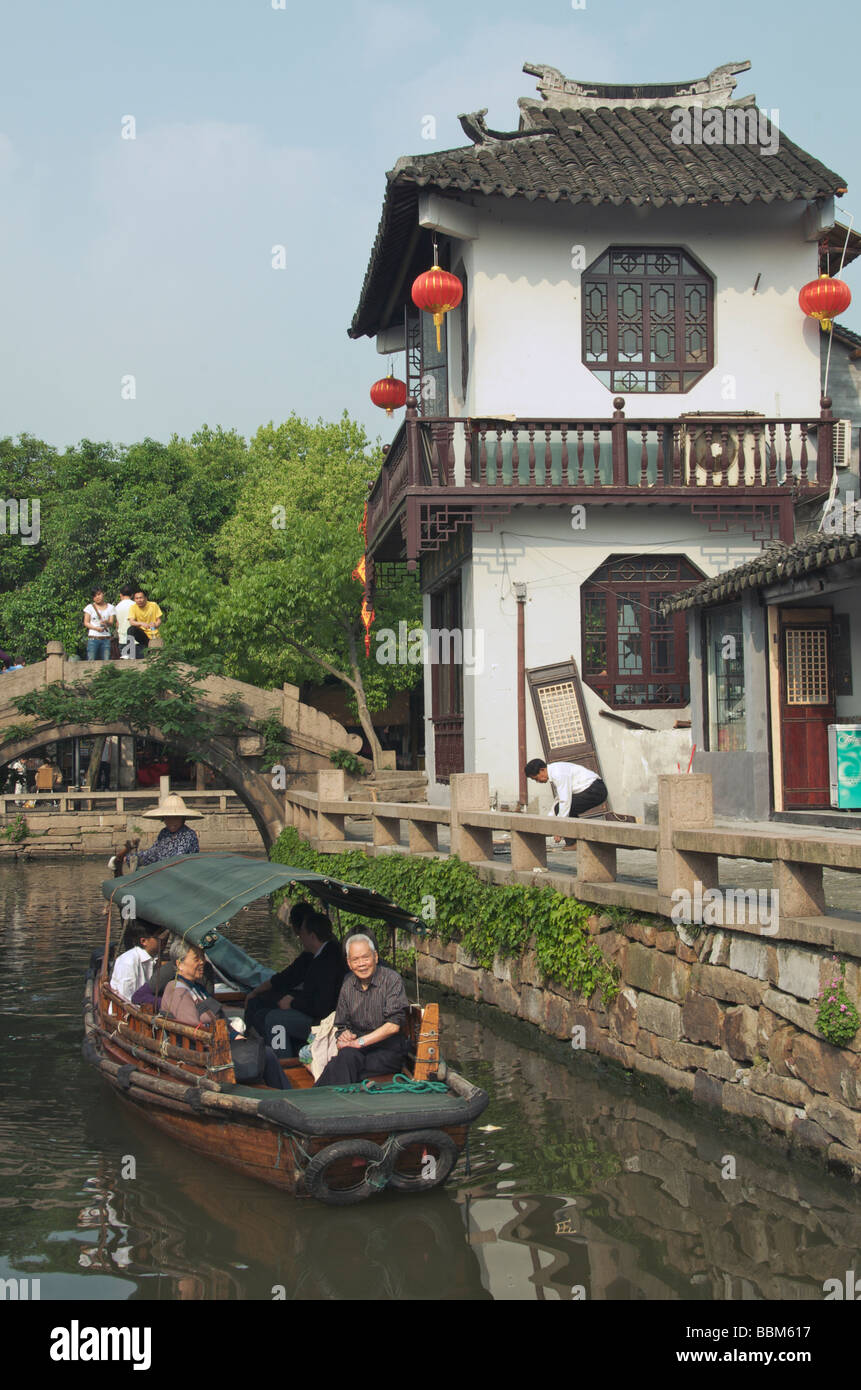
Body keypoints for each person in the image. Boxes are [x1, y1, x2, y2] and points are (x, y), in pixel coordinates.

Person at [162, 940, 289, 1090]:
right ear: (179, 964)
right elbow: (195, 1030)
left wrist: (235, 1035)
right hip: (205, 1054)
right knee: (265, 1054)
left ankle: (277, 1091)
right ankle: (284, 1092)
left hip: (218, 1044)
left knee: (261, 1050)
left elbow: (219, 1019)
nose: (202, 962)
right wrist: (229, 1038)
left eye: (202, 957)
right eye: (196, 959)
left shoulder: (196, 987)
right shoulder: (178, 992)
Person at [247, 910, 346, 1058]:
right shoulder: (323, 955)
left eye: (302, 934)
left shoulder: (326, 962)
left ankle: (283, 1063)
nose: (300, 938)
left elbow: (321, 1006)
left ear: (312, 936)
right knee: (266, 1013)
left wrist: (293, 1003)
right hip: (319, 1014)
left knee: (274, 1020)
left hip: (324, 1022)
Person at [315, 934, 409, 1087]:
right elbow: (341, 1025)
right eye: (355, 960)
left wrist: (360, 1042)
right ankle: (325, 1098)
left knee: (343, 1063)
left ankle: (316, 1095)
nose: (361, 964)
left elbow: (393, 1025)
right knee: (346, 1058)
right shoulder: (348, 984)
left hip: (387, 1052)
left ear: (375, 957)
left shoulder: (392, 980)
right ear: (349, 963)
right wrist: (344, 1035)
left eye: (365, 958)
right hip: (356, 1052)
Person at [524, 758, 608, 847]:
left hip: (596, 790)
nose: (538, 781)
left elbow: (565, 801)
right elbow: (559, 799)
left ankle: (573, 843)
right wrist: (548, 821)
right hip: (594, 789)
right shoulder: (555, 770)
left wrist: (559, 830)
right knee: (562, 808)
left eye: (536, 778)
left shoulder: (558, 774)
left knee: (562, 808)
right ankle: (577, 840)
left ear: (542, 770)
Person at [115, 793, 201, 868]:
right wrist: (131, 858)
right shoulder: (164, 833)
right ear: (164, 818)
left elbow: (177, 859)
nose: (172, 822)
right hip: (162, 873)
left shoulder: (189, 835)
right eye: (168, 818)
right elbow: (153, 853)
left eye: (176, 818)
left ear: (183, 818)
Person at [110, 922, 165, 1002]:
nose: (164, 940)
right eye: (159, 937)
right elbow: (125, 998)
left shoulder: (154, 958)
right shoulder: (128, 962)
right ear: (143, 941)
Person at [127, 588, 163, 657]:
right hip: (142, 634)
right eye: (137, 598)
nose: (139, 600)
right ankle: (129, 652)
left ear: (145, 598)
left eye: (141, 598)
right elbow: (131, 622)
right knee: (131, 629)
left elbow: (159, 620)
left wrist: (155, 624)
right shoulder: (133, 607)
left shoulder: (153, 605)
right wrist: (141, 623)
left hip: (153, 635)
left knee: (147, 654)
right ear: (134, 600)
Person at [84, 588, 116, 662]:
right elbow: (86, 622)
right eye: (95, 596)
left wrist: (106, 622)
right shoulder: (89, 607)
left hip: (106, 638)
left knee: (106, 661)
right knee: (91, 660)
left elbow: (111, 622)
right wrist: (96, 628)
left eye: (99, 594)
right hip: (93, 638)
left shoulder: (111, 607)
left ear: (103, 594)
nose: (97, 597)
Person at [115, 585, 136, 658]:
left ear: (121, 595)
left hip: (122, 639)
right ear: (132, 595)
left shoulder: (117, 607)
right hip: (135, 640)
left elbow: (117, 624)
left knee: (125, 666)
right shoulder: (135, 605)